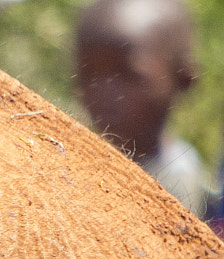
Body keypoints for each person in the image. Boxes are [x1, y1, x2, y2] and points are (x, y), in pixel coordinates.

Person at [75, 0, 211, 216]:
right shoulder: (82, 165)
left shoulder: (175, 185)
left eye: (126, 76)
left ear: (182, 80)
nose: (103, 92)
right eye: (90, 73)